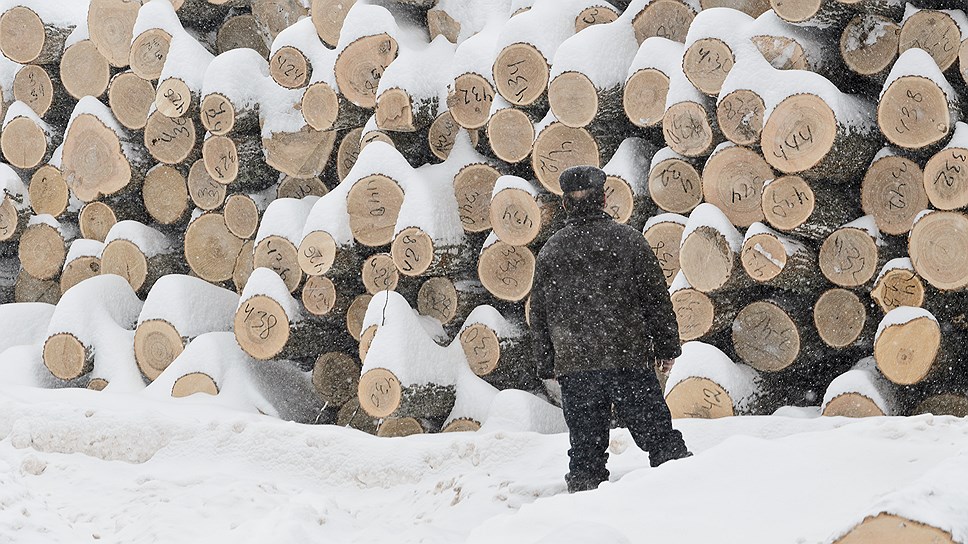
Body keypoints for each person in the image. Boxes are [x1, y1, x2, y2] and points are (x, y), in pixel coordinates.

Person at [529, 165, 690, 493]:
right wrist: (666, 348)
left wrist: (547, 363)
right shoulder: (629, 241)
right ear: (603, 198)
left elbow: (539, 315)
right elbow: (656, 300)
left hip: (576, 368)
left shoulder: (551, 252)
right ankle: (683, 499)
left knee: (586, 456)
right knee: (662, 442)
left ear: (564, 205)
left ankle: (584, 522)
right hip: (627, 359)